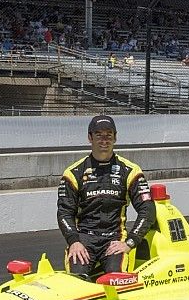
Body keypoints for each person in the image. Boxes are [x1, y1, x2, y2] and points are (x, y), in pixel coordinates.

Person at [58, 115, 156, 277]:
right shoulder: (73, 173)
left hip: (115, 239)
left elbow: (148, 210)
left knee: (115, 278)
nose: (104, 140)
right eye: (99, 135)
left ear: (115, 138)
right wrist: (73, 241)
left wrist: (130, 242)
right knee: (77, 279)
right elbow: (64, 213)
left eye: (108, 135)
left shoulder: (130, 171)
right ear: (90, 138)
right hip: (83, 239)